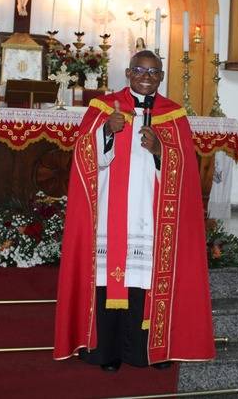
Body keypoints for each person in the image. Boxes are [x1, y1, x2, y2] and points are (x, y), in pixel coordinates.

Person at [54, 50, 215, 371]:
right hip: (112, 216)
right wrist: (107, 133)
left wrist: (161, 151)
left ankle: (150, 352)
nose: (147, 76)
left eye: (154, 72)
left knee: (148, 280)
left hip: (153, 219)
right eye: (140, 70)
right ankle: (107, 353)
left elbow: (185, 171)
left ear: (161, 77)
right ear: (128, 73)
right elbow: (83, 157)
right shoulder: (104, 108)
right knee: (108, 281)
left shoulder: (174, 115)